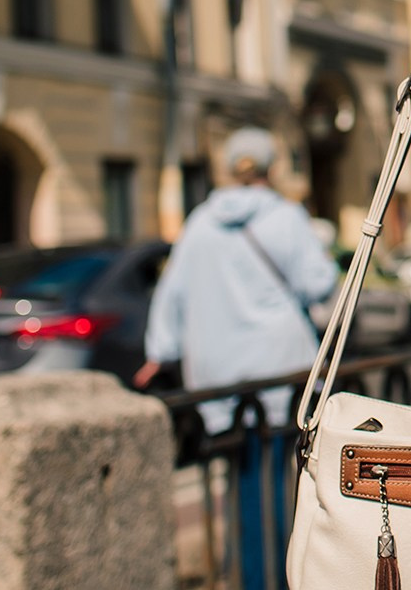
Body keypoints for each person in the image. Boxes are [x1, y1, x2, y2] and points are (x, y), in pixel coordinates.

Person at [138, 127, 336, 590]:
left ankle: (250, 574)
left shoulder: (200, 222)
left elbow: (172, 295)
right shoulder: (286, 217)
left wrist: (158, 352)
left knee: (237, 480)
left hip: (220, 377)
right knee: (279, 484)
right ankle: (277, 575)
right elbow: (318, 283)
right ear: (270, 167)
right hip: (280, 373)